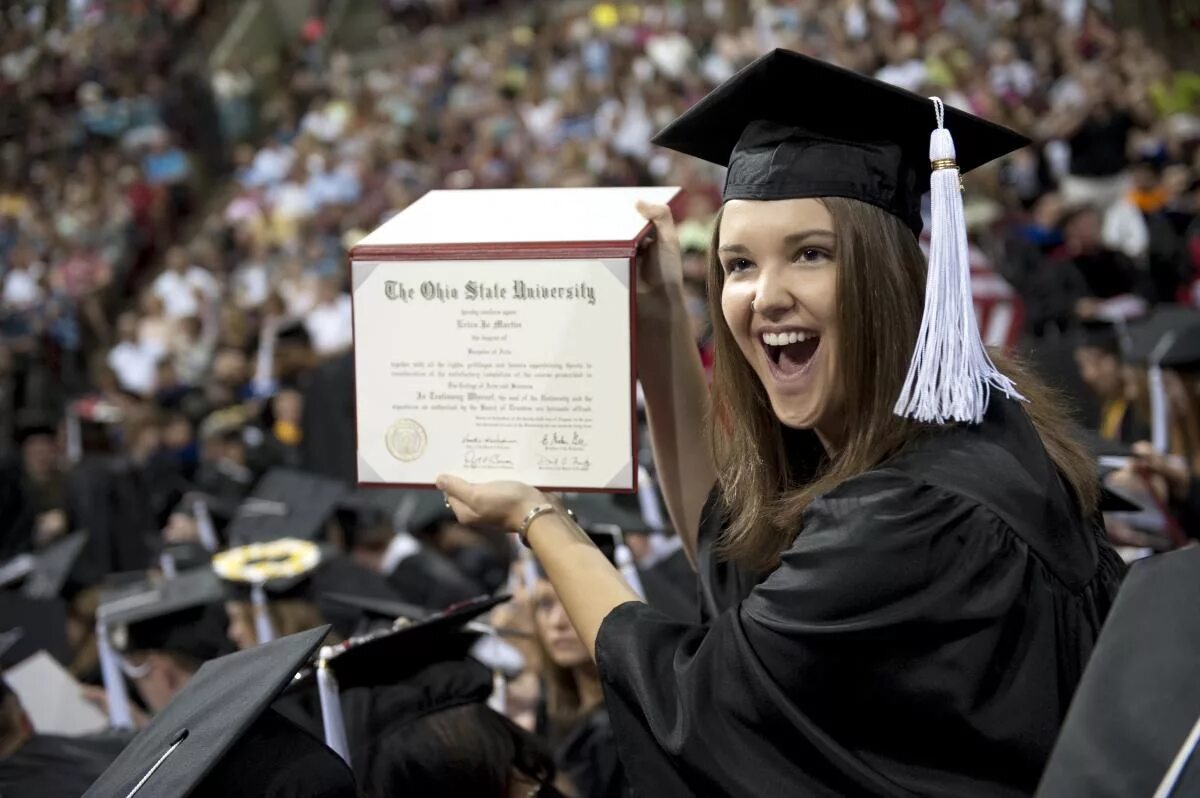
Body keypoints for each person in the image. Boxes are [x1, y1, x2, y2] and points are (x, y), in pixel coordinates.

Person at [438, 50, 1124, 797]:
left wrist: (538, 517)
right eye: (738, 265)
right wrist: (665, 322)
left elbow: (700, 700)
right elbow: (730, 554)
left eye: (810, 254)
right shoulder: (969, 433)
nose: (765, 296)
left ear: (888, 274)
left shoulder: (912, 515)